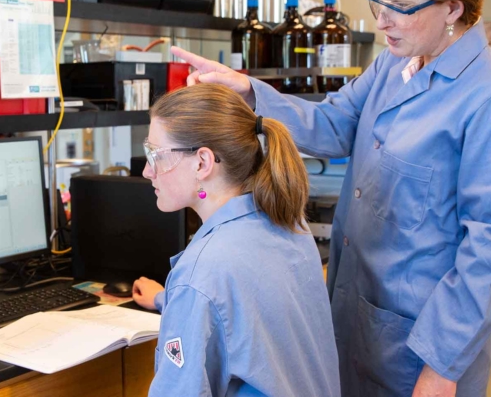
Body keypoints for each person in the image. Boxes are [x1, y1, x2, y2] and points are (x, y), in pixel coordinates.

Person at [170, 0, 491, 397]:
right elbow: (331, 125)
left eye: (400, 7)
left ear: (453, 7)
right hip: (353, 320)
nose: (381, 21)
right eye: (378, 0)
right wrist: (248, 91)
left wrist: (442, 366)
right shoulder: (394, 62)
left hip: (420, 350)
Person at [132, 83, 341, 397]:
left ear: (202, 162)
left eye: (155, 155)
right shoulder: (288, 225)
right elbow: (245, 314)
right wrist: (170, 301)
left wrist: (185, 296)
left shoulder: (202, 273)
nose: (148, 171)